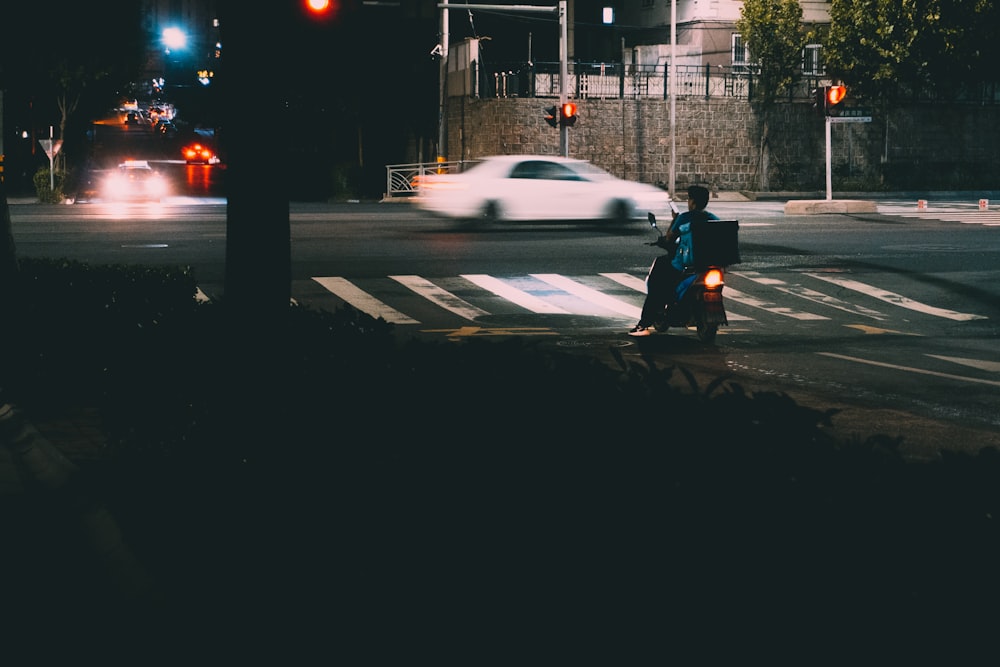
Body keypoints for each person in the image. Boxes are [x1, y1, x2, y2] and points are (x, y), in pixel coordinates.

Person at [628, 184, 719, 336]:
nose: (688, 202)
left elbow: (670, 238)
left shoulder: (684, 218)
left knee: (657, 283)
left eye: (689, 199)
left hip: (684, 265)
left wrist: (674, 219)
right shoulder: (714, 219)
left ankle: (643, 323)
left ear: (693, 202)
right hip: (707, 265)